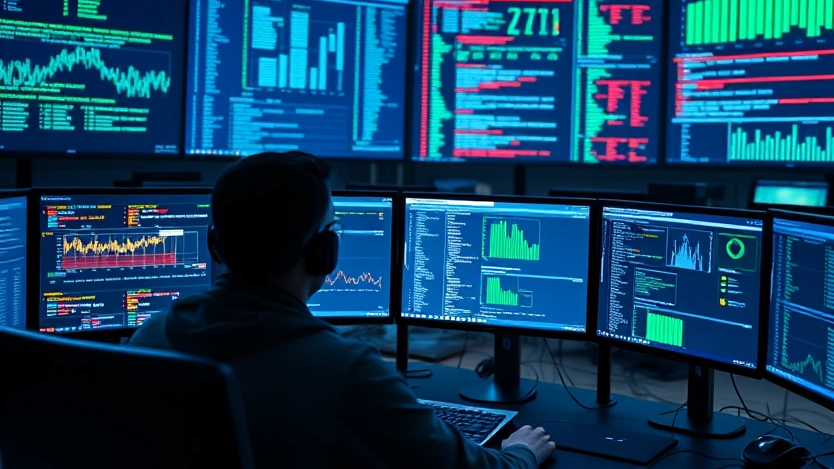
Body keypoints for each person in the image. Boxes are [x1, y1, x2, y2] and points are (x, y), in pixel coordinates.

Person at [129, 152, 555, 469]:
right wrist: (521, 454)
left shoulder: (150, 338)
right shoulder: (344, 371)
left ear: (214, 244)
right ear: (324, 250)